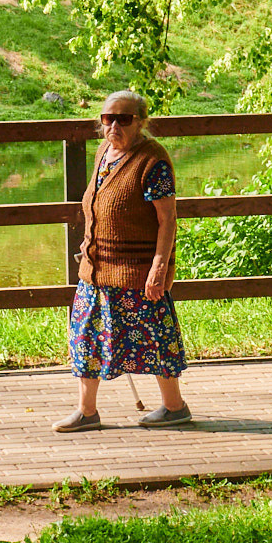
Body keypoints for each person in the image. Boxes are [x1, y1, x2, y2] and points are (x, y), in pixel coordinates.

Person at [57, 91, 193, 430]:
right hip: (96, 268)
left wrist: (159, 268)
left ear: (141, 122)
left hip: (136, 272)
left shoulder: (153, 161)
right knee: (85, 338)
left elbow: (167, 220)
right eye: (108, 118)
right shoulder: (104, 152)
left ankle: (174, 407)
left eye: (124, 118)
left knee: (155, 339)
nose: (114, 125)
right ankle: (87, 411)